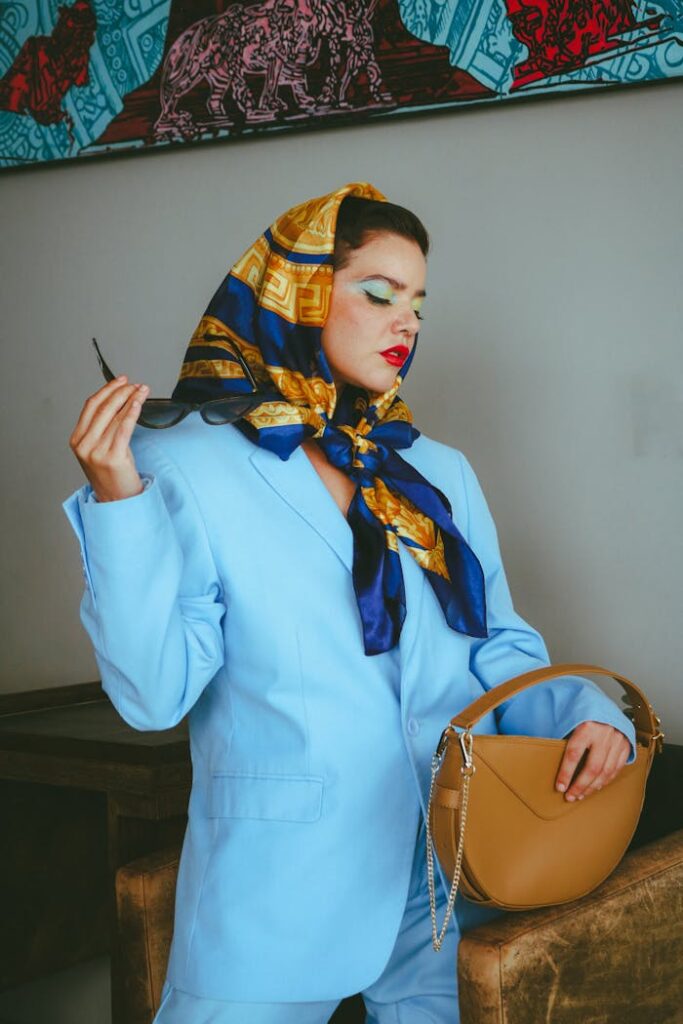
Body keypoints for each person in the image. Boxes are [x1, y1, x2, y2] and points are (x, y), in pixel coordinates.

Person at [64, 182, 635, 1024]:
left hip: (451, 874)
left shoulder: (436, 472)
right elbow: (154, 696)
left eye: (417, 304)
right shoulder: (184, 463)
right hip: (277, 888)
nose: (405, 322)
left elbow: (500, 647)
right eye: (378, 293)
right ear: (295, 292)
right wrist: (118, 501)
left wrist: (592, 714)